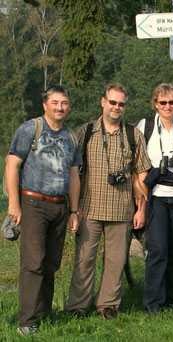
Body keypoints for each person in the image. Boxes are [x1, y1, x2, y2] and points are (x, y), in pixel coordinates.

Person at [65, 83, 151, 320]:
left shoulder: (133, 134)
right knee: (84, 259)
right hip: (89, 207)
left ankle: (108, 306)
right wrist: (74, 209)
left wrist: (140, 209)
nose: (116, 107)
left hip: (122, 208)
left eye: (121, 103)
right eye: (112, 102)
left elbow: (141, 174)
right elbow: (73, 171)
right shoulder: (86, 131)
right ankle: (78, 307)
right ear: (103, 102)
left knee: (115, 261)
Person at [5, 86, 82, 335]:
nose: (60, 107)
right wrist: (13, 205)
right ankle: (26, 323)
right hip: (32, 203)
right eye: (55, 102)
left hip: (60, 206)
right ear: (45, 104)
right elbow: (12, 164)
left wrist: (74, 211)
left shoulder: (71, 136)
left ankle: (43, 315)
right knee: (33, 264)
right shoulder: (31, 128)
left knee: (51, 264)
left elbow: (74, 175)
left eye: (65, 103)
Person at [135, 83, 173, 314]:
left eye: (172, 102)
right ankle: (152, 302)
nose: (167, 106)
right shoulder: (145, 126)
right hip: (156, 196)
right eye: (163, 102)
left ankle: (170, 298)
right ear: (155, 104)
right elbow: (136, 161)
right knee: (158, 248)